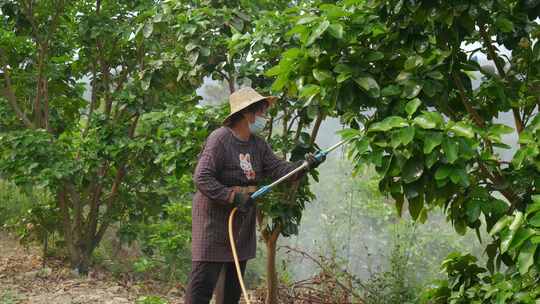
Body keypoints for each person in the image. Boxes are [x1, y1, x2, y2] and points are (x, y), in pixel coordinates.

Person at [185, 87, 325, 304]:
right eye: (261, 112)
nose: (264, 118)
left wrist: (304, 166)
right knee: (201, 288)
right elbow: (202, 178)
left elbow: (280, 171)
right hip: (213, 224)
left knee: (232, 290)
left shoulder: (258, 145)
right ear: (247, 114)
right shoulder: (220, 139)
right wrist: (232, 197)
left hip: (241, 224)